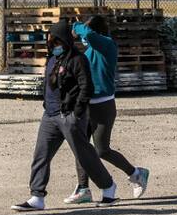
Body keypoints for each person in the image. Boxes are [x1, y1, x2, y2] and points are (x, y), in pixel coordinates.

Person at [12, 19, 118, 211]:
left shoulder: (78, 59)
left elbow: (86, 87)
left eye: (56, 41)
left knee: (84, 154)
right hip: (50, 115)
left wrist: (77, 112)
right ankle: (37, 196)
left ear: (65, 40)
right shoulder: (53, 59)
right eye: (51, 42)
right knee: (41, 155)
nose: (53, 45)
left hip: (69, 116)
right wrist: (47, 104)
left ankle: (108, 186)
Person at [63, 15, 150, 203]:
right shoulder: (89, 51)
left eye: (87, 33)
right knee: (81, 147)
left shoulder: (107, 45)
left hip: (103, 106)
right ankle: (83, 188)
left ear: (97, 32)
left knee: (102, 150)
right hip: (86, 105)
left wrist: (76, 26)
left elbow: (89, 35)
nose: (83, 38)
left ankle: (136, 174)